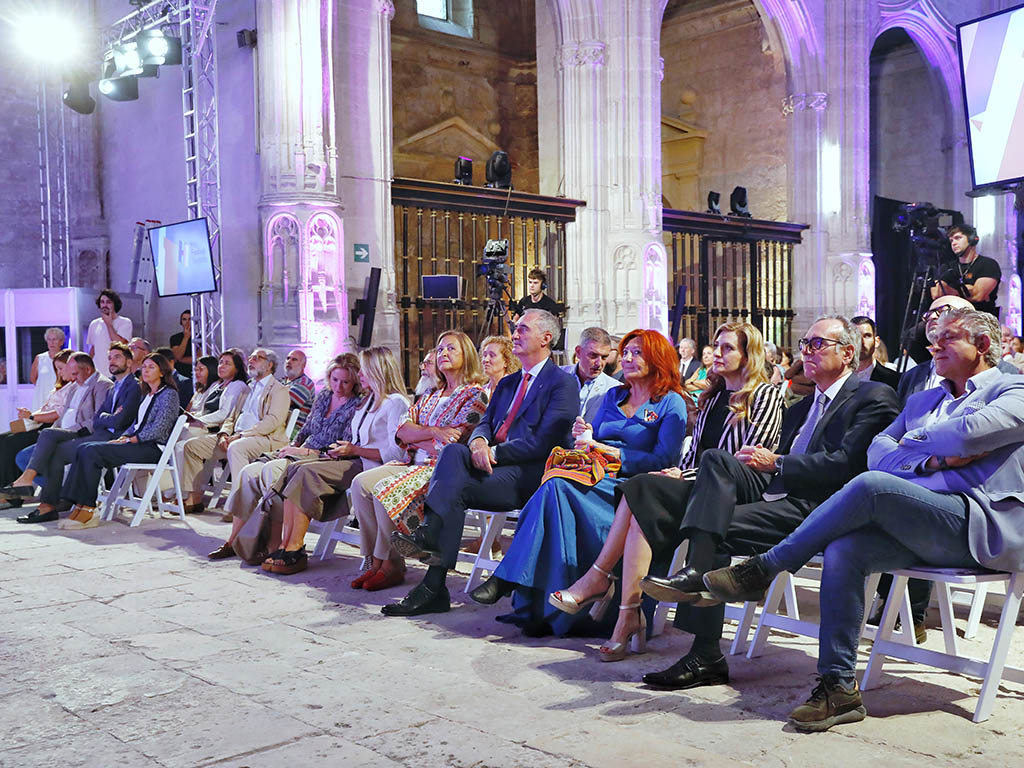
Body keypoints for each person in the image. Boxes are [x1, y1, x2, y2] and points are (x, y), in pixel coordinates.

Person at [702, 307, 1024, 732]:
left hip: (982, 524)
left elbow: (963, 434)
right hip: (921, 516)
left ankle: (767, 566)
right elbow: (878, 449)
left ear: (981, 345)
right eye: (933, 339)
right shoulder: (925, 399)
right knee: (845, 548)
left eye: (947, 338)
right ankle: (837, 688)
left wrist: (910, 445)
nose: (933, 346)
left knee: (872, 485)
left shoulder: (1013, 389)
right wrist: (931, 460)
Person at [637, 315, 900, 690]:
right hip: (782, 498)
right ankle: (704, 627)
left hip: (828, 510)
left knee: (710, 528)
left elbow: (848, 464)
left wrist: (775, 462)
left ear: (846, 353)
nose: (805, 351)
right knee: (714, 469)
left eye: (816, 344)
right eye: (804, 343)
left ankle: (705, 648)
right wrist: (764, 462)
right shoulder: (800, 408)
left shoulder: (873, 396)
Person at [515, 323, 782, 656]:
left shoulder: (766, 394)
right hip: (693, 481)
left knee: (632, 487)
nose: (716, 352)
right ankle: (626, 615)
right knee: (635, 492)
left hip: (734, 492)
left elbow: (738, 460)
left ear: (749, 356)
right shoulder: (712, 396)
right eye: (715, 344)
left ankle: (597, 581)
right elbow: (695, 452)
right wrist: (678, 471)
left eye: (727, 347)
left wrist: (682, 473)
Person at [470, 328, 688, 640]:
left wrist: (617, 454)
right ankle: (539, 607)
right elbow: (594, 437)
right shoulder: (615, 395)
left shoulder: (670, 403)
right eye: (624, 352)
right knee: (555, 488)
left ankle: (520, 588)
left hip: (631, 486)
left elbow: (664, 459)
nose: (626, 358)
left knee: (555, 488)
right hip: (594, 473)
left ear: (657, 358)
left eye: (636, 352)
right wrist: (585, 435)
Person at [385, 309, 579, 616]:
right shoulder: (507, 383)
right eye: (515, 329)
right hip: (491, 465)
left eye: (523, 330)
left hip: (527, 475)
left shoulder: (563, 384)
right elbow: (485, 424)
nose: (515, 334)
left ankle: (432, 575)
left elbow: (546, 442)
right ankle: (432, 562)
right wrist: (477, 442)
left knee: (453, 491)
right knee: (453, 455)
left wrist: (495, 453)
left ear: (546, 338)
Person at [220, 347, 409, 579]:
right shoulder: (368, 400)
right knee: (290, 470)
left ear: (378, 371)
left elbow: (395, 452)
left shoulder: (393, 402)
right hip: (345, 456)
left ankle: (294, 546)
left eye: (363, 372)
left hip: (365, 463)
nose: (360, 377)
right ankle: (282, 544)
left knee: (300, 473)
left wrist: (348, 449)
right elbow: (313, 428)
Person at [348, 330, 489, 591]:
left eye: (451, 349)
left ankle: (390, 564)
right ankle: (373, 559)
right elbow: (401, 432)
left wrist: (418, 436)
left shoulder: (475, 395)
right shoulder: (430, 395)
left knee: (382, 491)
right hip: (411, 462)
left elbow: (454, 442)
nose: (443, 354)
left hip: (440, 470)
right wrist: (433, 432)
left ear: (466, 355)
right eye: (440, 349)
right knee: (360, 484)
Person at [213, 355, 363, 570]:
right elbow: (307, 427)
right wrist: (292, 445)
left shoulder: (355, 404)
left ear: (354, 382)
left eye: (345, 382)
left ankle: (274, 543)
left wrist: (302, 451)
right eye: (335, 379)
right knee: (248, 472)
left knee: (271, 472)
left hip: (321, 456)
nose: (339, 386)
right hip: (300, 449)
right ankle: (234, 540)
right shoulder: (325, 396)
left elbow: (341, 445)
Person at [58, 353, 180, 530]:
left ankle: (89, 509)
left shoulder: (168, 394)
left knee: (91, 452)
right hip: (137, 443)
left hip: (152, 448)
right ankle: (79, 505)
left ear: (162, 372)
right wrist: (125, 437)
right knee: (83, 448)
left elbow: (159, 428)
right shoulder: (147, 394)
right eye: (144, 366)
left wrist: (132, 439)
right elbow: (136, 424)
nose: (145, 370)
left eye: (151, 367)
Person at [181, 348, 290, 514]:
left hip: (265, 439)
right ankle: (194, 498)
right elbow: (231, 418)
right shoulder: (249, 388)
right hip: (235, 437)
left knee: (237, 447)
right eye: (251, 357)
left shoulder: (279, 389)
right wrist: (224, 434)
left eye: (257, 358)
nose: (251, 361)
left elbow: (272, 422)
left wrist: (240, 436)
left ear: (270, 365)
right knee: (192, 446)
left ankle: (241, 506)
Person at [0, 349, 74, 491]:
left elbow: (57, 414)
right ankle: (6, 488)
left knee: (11, 444)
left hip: (52, 428)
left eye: (60, 368)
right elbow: (46, 409)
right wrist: (30, 415)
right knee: (2, 439)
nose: (58, 373)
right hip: (40, 424)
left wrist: (32, 416)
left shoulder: (73, 388)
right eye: (56, 369)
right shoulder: (59, 388)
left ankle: (15, 492)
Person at [930, 224, 1000, 316]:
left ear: (972, 240)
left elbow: (977, 296)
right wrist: (967, 290)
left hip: (981, 320)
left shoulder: (988, 264)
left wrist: (949, 292)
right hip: (952, 320)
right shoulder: (947, 267)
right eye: (951, 240)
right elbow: (936, 293)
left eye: (958, 238)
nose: (953, 243)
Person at [561, 327, 618, 423]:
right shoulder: (557, 376)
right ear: (578, 352)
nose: (599, 363)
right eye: (593, 356)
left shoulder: (614, 388)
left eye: (604, 357)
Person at [87, 289, 132, 376]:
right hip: (97, 373)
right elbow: (93, 348)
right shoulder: (94, 323)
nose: (105, 305)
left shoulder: (125, 322)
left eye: (108, 302)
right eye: (102, 302)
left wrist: (109, 324)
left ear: (114, 304)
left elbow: (119, 344)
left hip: (115, 372)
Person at [851, 315, 899, 389]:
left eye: (867, 336)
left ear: (876, 341)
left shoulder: (893, 379)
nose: (861, 342)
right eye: (856, 336)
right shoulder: (838, 378)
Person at [30, 327, 67, 410]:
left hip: (60, 399)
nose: (52, 342)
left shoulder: (67, 358)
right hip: (42, 398)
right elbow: (33, 379)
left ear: (61, 342)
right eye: (49, 339)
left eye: (55, 339)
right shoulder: (40, 358)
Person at [283, 349, 316, 433]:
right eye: (288, 358)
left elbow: (281, 401)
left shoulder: (305, 383)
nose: (289, 361)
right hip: (279, 424)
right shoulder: (282, 381)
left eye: (294, 359)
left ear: (303, 365)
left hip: (295, 430)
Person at [169, 309, 193, 378]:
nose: (187, 322)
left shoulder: (199, 337)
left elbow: (199, 358)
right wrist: (186, 337)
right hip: (180, 373)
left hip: (193, 372)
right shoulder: (175, 338)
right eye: (184, 319)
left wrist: (181, 359)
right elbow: (177, 356)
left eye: (190, 319)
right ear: (181, 322)